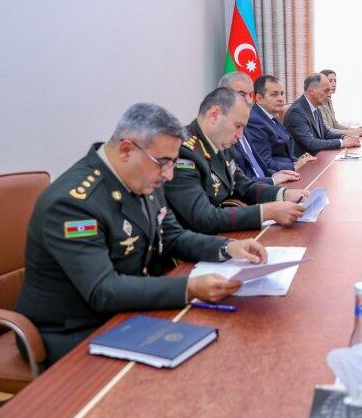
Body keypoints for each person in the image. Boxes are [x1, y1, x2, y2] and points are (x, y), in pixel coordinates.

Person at [16, 103, 269, 365]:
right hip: (77, 330)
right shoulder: (73, 203)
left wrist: (227, 248)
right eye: (163, 162)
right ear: (127, 150)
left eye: (172, 162)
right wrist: (190, 287)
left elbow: (172, 236)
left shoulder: (144, 176)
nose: (169, 174)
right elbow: (103, 290)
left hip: (130, 310)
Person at [164, 88, 307, 234]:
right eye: (237, 126)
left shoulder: (221, 143)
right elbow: (203, 217)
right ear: (214, 115)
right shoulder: (183, 153)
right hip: (196, 241)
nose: (240, 136)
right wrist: (266, 212)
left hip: (223, 233)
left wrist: (284, 194)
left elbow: (243, 185)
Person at [218, 72, 301, 185]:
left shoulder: (245, 125)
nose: (248, 100)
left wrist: (276, 175)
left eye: (250, 95)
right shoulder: (248, 122)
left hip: (262, 184)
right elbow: (238, 181)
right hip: (254, 190)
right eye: (241, 94)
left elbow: (257, 166)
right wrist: (273, 180)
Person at [247, 74, 316, 174]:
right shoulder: (255, 121)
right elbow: (264, 163)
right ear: (259, 98)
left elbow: (284, 152)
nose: (280, 99)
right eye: (274, 94)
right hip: (277, 177)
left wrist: (299, 160)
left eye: (281, 94)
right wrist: (294, 165)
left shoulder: (271, 116)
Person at [285, 74, 361, 155]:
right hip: (304, 160)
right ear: (312, 90)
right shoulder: (296, 111)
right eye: (326, 91)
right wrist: (341, 143)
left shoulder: (315, 107)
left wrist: (344, 137)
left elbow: (326, 133)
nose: (329, 95)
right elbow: (310, 143)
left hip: (318, 156)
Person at [318, 69, 362, 138]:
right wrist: (353, 132)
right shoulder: (318, 103)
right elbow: (328, 131)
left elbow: (335, 125)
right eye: (330, 81)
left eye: (335, 81)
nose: (334, 84)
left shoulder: (328, 100)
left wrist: (355, 130)